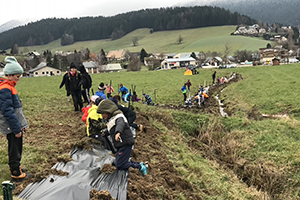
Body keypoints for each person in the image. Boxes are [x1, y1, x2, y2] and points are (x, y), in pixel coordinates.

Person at [97, 100, 147, 176]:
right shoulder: (112, 119)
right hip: (121, 144)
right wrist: (105, 133)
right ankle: (139, 164)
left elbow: (120, 124)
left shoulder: (119, 116)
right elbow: (111, 128)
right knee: (119, 161)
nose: (102, 116)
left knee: (120, 165)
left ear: (108, 110)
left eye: (103, 113)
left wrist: (118, 132)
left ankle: (140, 167)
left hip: (125, 143)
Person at [0, 56, 29, 181]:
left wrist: (23, 124)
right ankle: (15, 172)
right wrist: (17, 129)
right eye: (17, 76)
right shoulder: (5, 88)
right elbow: (8, 111)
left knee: (18, 146)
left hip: (15, 124)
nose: (19, 79)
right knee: (14, 148)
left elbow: (17, 110)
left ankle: (17, 165)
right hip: (11, 126)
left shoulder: (10, 86)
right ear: (10, 75)